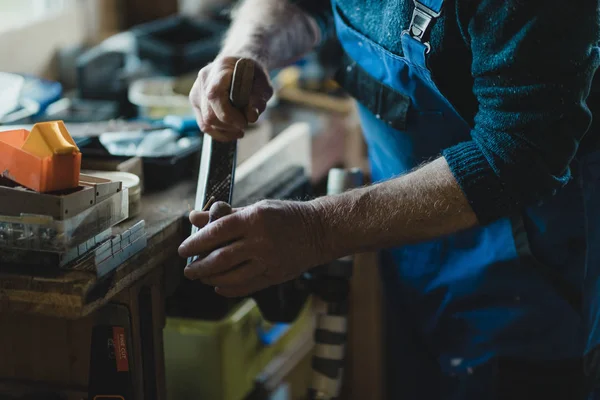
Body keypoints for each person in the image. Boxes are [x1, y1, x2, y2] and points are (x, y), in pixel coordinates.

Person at [178, 0, 600, 398]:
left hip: (537, 272)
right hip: (408, 244)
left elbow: (519, 152)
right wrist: (247, 50)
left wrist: (317, 230)